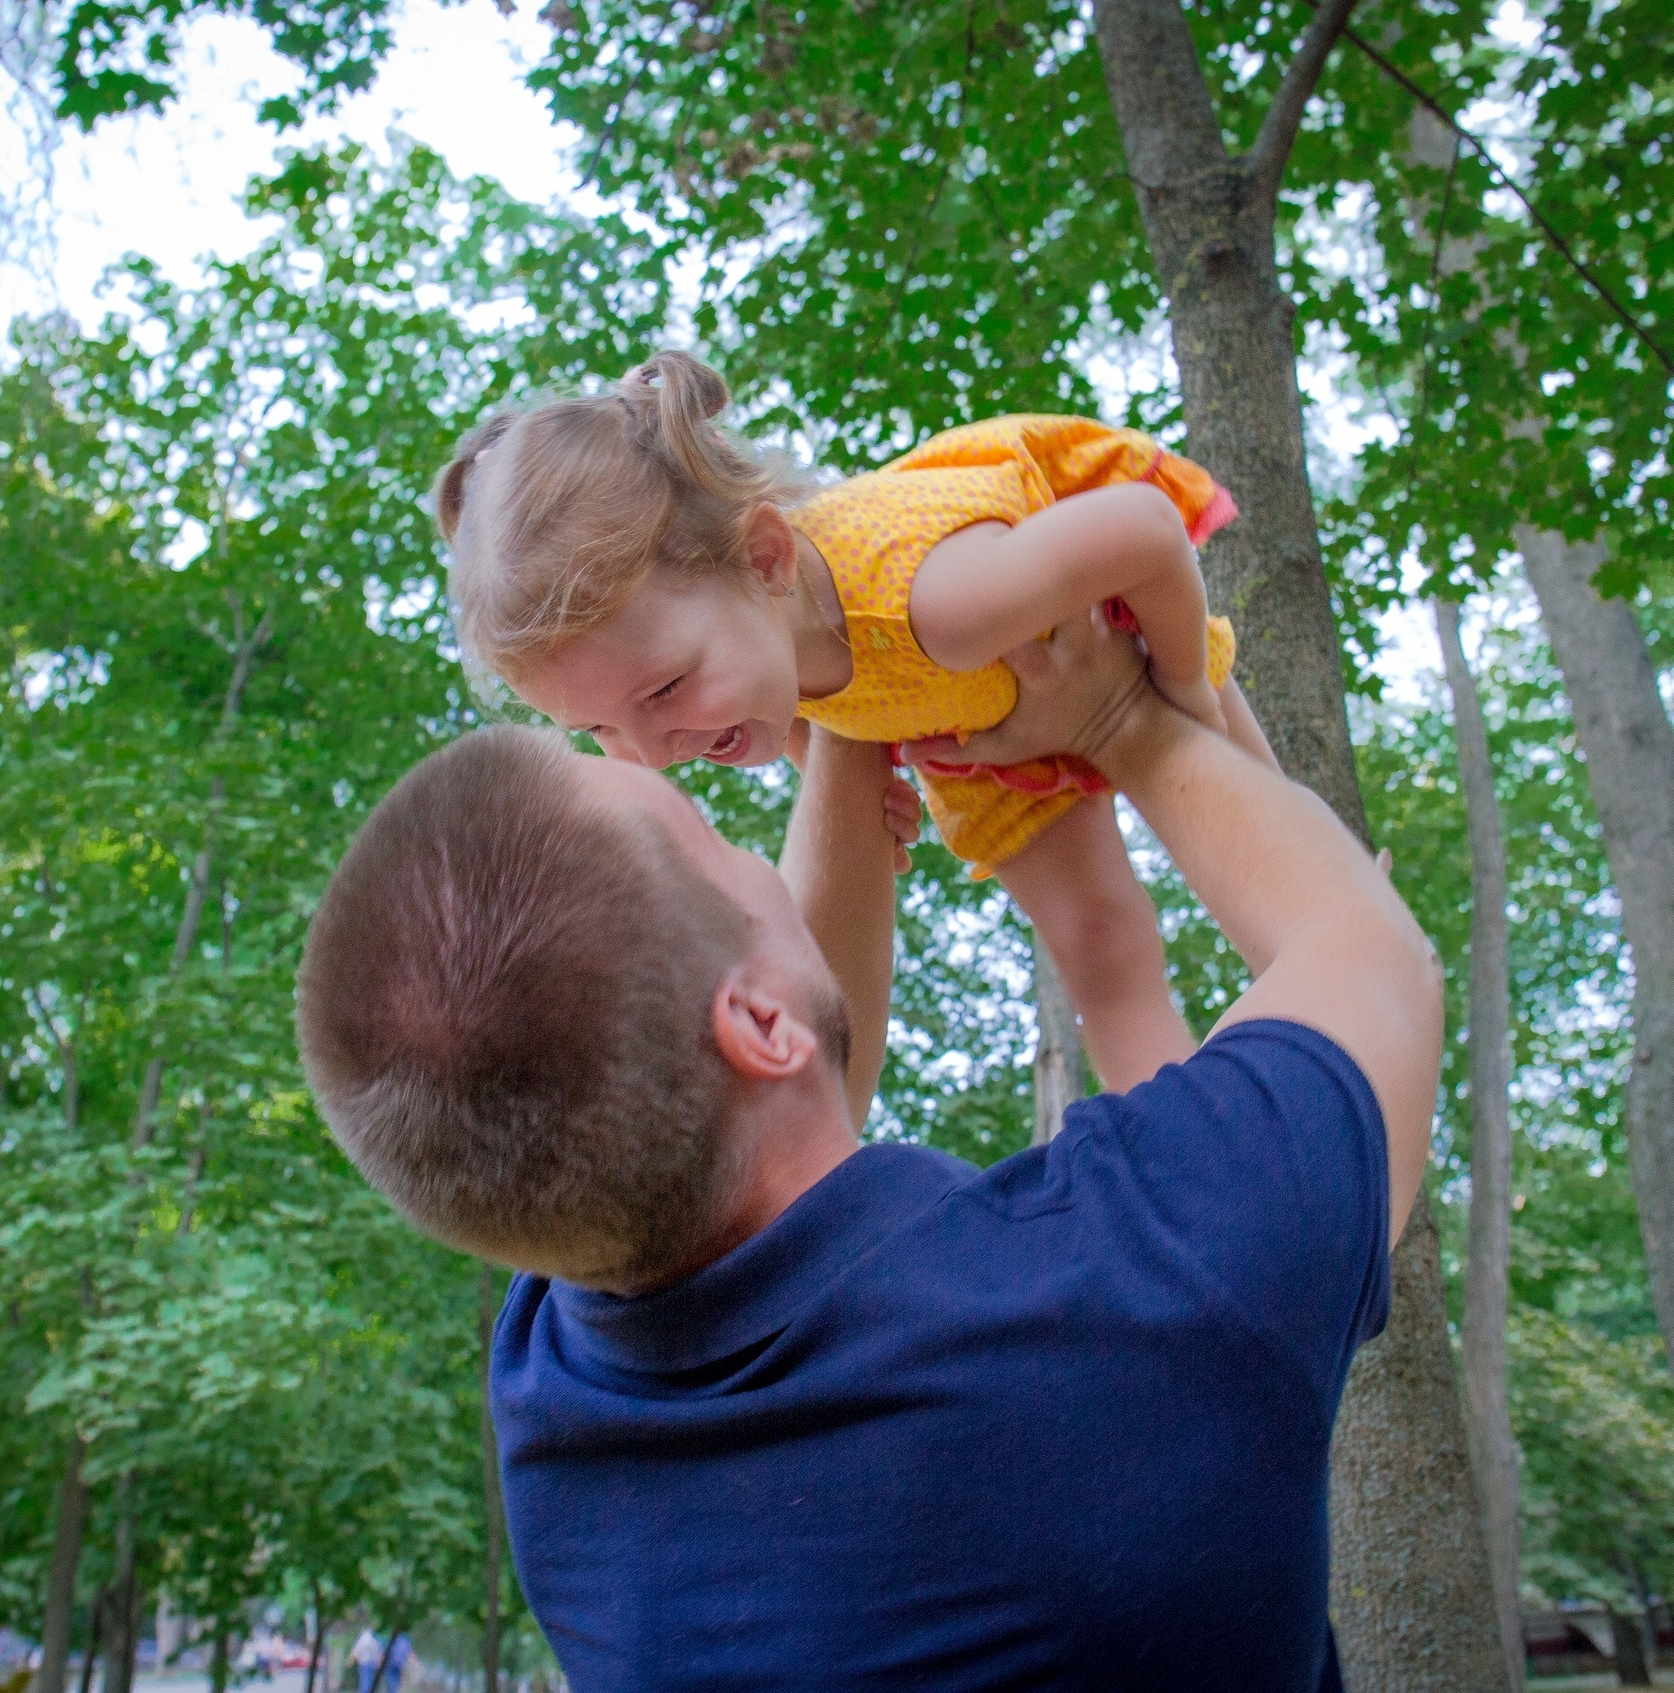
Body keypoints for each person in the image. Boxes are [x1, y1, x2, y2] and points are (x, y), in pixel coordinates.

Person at [296, 609, 1439, 1688]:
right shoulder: (1147, 1289)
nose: (750, 850)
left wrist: (851, 704)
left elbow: (760, 1082)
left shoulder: (560, 1405)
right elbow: (1369, 955)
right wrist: (1114, 724)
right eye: (704, 836)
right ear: (752, 1023)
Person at [434, 351, 1279, 1094]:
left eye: (662, 692)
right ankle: (1194, 1160)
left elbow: (1144, 530)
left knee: (1262, 851)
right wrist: (829, 769)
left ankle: (1334, 981)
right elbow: (805, 697)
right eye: (601, 730)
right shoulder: (759, 644)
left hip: (1092, 625)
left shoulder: (941, 598)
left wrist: (1187, 689)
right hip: (981, 741)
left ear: (766, 557)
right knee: (1101, 941)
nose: (652, 753)